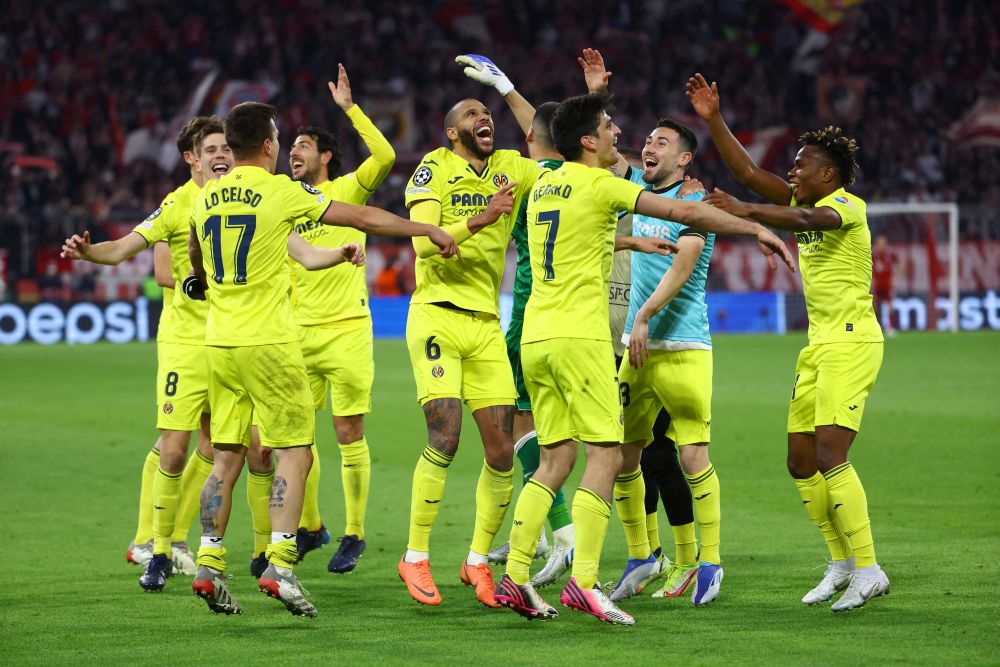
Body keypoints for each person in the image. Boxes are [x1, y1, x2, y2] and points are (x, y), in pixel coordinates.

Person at [493, 91, 792, 625]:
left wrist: (631, 246)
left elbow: (577, 230)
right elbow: (680, 209)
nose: (617, 133)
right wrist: (754, 226)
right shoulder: (602, 185)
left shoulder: (542, 182)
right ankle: (584, 582)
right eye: (608, 126)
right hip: (580, 340)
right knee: (606, 456)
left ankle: (515, 576)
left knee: (556, 458)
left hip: (536, 336)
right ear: (587, 141)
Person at [186, 99, 457, 617]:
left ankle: (208, 562)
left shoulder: (208, 195)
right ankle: (282, 564)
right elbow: (359, 215)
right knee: (297, 452)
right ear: (268, 144)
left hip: (219, 343)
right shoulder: (282, 190)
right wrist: (426, 229)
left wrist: (201, 279)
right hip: (270, 343)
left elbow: (199, 251)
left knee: (227, 456)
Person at [688, 72, 889, 611]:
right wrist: (712, 120)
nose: (792, 169)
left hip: (853, 341)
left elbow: (802, 215)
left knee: (830, 454)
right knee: (800, 461)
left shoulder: (847, 207)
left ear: (828, 172)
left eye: (801, 163)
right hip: (818, 345)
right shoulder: (804, 197)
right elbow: (751, 173)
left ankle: (869, 568)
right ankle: (841, 562)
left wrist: (747, 212)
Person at [60, 117, 228, 590]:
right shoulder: (178, 203)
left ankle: (173, 538)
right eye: (212, 148)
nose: (222, 155)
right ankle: (153, 543)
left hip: (229, 340)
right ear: (192, 158)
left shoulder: (241, 198)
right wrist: (90, 254)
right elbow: (129, 253)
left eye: (227, 147)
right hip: (184, 342)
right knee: (173, 448)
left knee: (215, 448)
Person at [395, 76, 529, 608]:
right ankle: (415, 555)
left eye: (488, 112)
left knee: (501, 452)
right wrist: (484, 217)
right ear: (453, 132)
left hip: (484, 325)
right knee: (445, 437)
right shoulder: (434, 167)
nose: (485, 118)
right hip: (436, 318)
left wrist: (506, 87)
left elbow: (547, 137)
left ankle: (476, 562)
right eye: (473, 113)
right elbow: (424, 243)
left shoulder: (511, 167)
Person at [287, 64, 394, 573]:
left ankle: (354, 533)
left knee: (348, 432)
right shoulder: (282, 200)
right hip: (295, 331)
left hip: (347, 329)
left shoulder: (350, 189)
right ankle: (310, 526)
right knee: (295, 438)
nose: (294, 152)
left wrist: (350, 109)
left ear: (325, 155)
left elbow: (388, 156)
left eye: (303, 146)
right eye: (290, 146)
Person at [614, 117, 726, 605]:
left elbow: (683, 265)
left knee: (691, 455)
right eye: (647, 140)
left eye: (662, 142)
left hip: (683, 346)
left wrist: (643, 316)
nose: (648, 145)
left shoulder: (698, 205)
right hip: (638, 352)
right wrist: (596, 89)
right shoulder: (639, 187)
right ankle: (644, 556)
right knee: (619, 454)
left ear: (685, 159)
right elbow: (591, 146)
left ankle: (710, 561)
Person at [871, 234, 897, 335]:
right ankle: (876, 328)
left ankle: (891, 328)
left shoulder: (890, 255)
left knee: (890, 307)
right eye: (880, 244)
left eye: (883, 244)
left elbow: (898, 263)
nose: (882, 246)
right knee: (875, 307)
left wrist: (895, 278)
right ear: (876, 244)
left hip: (888, 285)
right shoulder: (873, 255)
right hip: (877, 286)